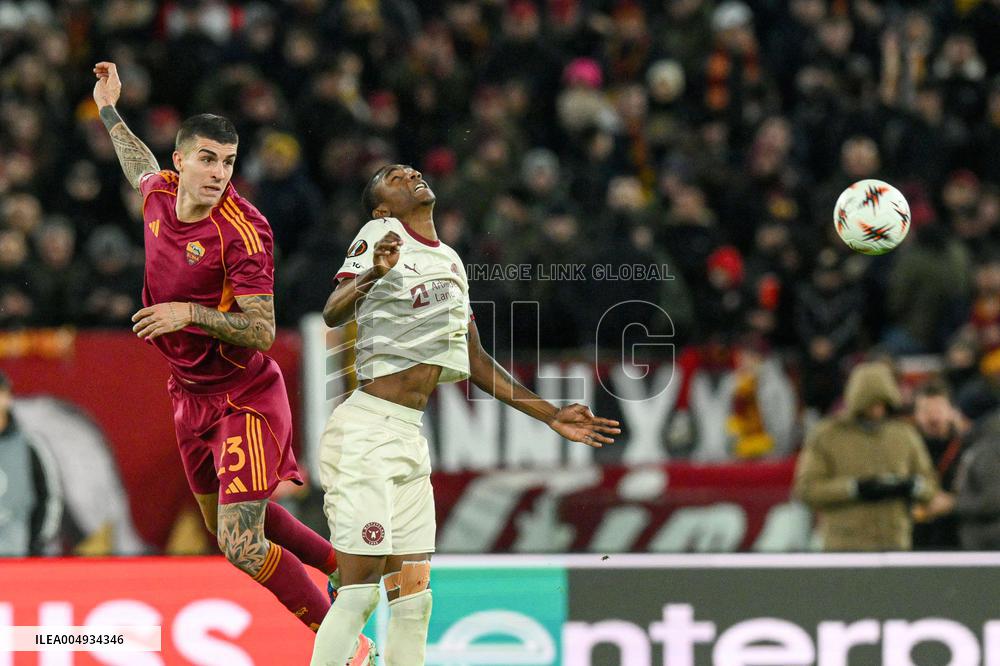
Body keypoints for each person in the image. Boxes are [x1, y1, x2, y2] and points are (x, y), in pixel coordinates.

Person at [92, 61, 374, 662]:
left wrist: (185, 314)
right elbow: (137, 163)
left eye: (228, 161)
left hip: (243, 394)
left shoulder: (245, 233)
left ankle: (348, 643)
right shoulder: (159, 195)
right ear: (181, 162)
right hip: (188, 397)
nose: (220, 173)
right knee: (235, 523)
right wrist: (110, 111)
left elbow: (263, 330)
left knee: (240, 544)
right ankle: (345, 566)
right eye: (208, 159)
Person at [310, 164, 621, 665]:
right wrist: (373, 275)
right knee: (360, 589)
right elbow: (331, 311)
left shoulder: (451, 261)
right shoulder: (380, 234)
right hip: (366, 430)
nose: (408, 172)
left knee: (413, 596)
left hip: (410, 437)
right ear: (382, 207)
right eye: (393, 176)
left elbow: (474, 357)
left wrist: (548, 414)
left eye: (408, 168)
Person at [793, 362, 939, 551]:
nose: (877, 410)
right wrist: (855, 488)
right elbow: (806, 490)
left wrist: (911, 486)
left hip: (894, 545)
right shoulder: (828, 435)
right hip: (845, 548)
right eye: (871, 403)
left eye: (882, 403)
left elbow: (930, 486)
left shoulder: (904, 435)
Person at [0, 371, 62, 556]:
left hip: (18, 554)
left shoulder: (28, 445)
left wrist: (35, 543)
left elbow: (49, 496)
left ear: (7, 398)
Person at [910, 379, 970, 549]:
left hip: (961, 539)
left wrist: (953, 503)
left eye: (939, 409)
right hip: (916, 539)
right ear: (915, 414)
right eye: (925, 410)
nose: (933, 417)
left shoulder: (969, 448)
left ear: (952, 412)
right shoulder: (905, 450)